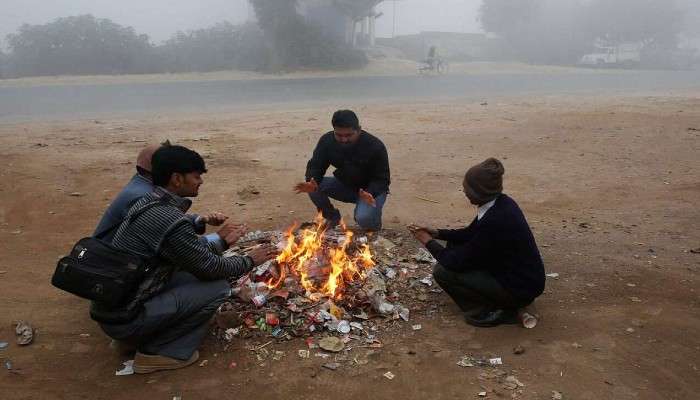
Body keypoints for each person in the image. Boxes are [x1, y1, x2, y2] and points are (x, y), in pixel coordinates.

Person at [93, 145, 278, 373]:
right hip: (125, 317)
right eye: (196, 176)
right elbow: (211, 268)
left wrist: (220, 242)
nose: (200, 181)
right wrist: (250, 260)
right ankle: (159, 352)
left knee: (189, 274)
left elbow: (185, 251)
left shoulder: (148, 202)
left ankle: (130, 340)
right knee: (217, 288)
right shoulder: (167, 218)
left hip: (114, 310)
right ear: (177, 179)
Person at [409, 158, 545, 327]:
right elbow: (471, 233)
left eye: (468, 188)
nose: (464, 191)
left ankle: (497, 310)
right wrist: (437, 233)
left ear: (479, 192)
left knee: (443, 272)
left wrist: (427, 241)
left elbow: (454, 263)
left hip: (520, 287)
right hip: (522, 277)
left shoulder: (495, 220)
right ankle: (504, 301)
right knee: (453, 245)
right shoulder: (501, 203)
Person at [94, 142, 232, 252]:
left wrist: (199, 220)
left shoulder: (143, 184)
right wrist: (218, 239)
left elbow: (168, 220)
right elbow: (177, 243)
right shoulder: (141, 195)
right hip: (114, 268)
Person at [294, 110, 390, 231]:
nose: (344, 139)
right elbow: (316, 165)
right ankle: (332, 218)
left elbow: (382, 179)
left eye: (349, 135)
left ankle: (374, 229)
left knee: (363, 217)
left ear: (359, 130)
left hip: (371, 192)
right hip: (346, 185)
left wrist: (370, 192)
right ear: (334, 130)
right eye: (339, 135)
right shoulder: (327, 141)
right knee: (313, 187)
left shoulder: (375, 146)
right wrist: (311, 179)